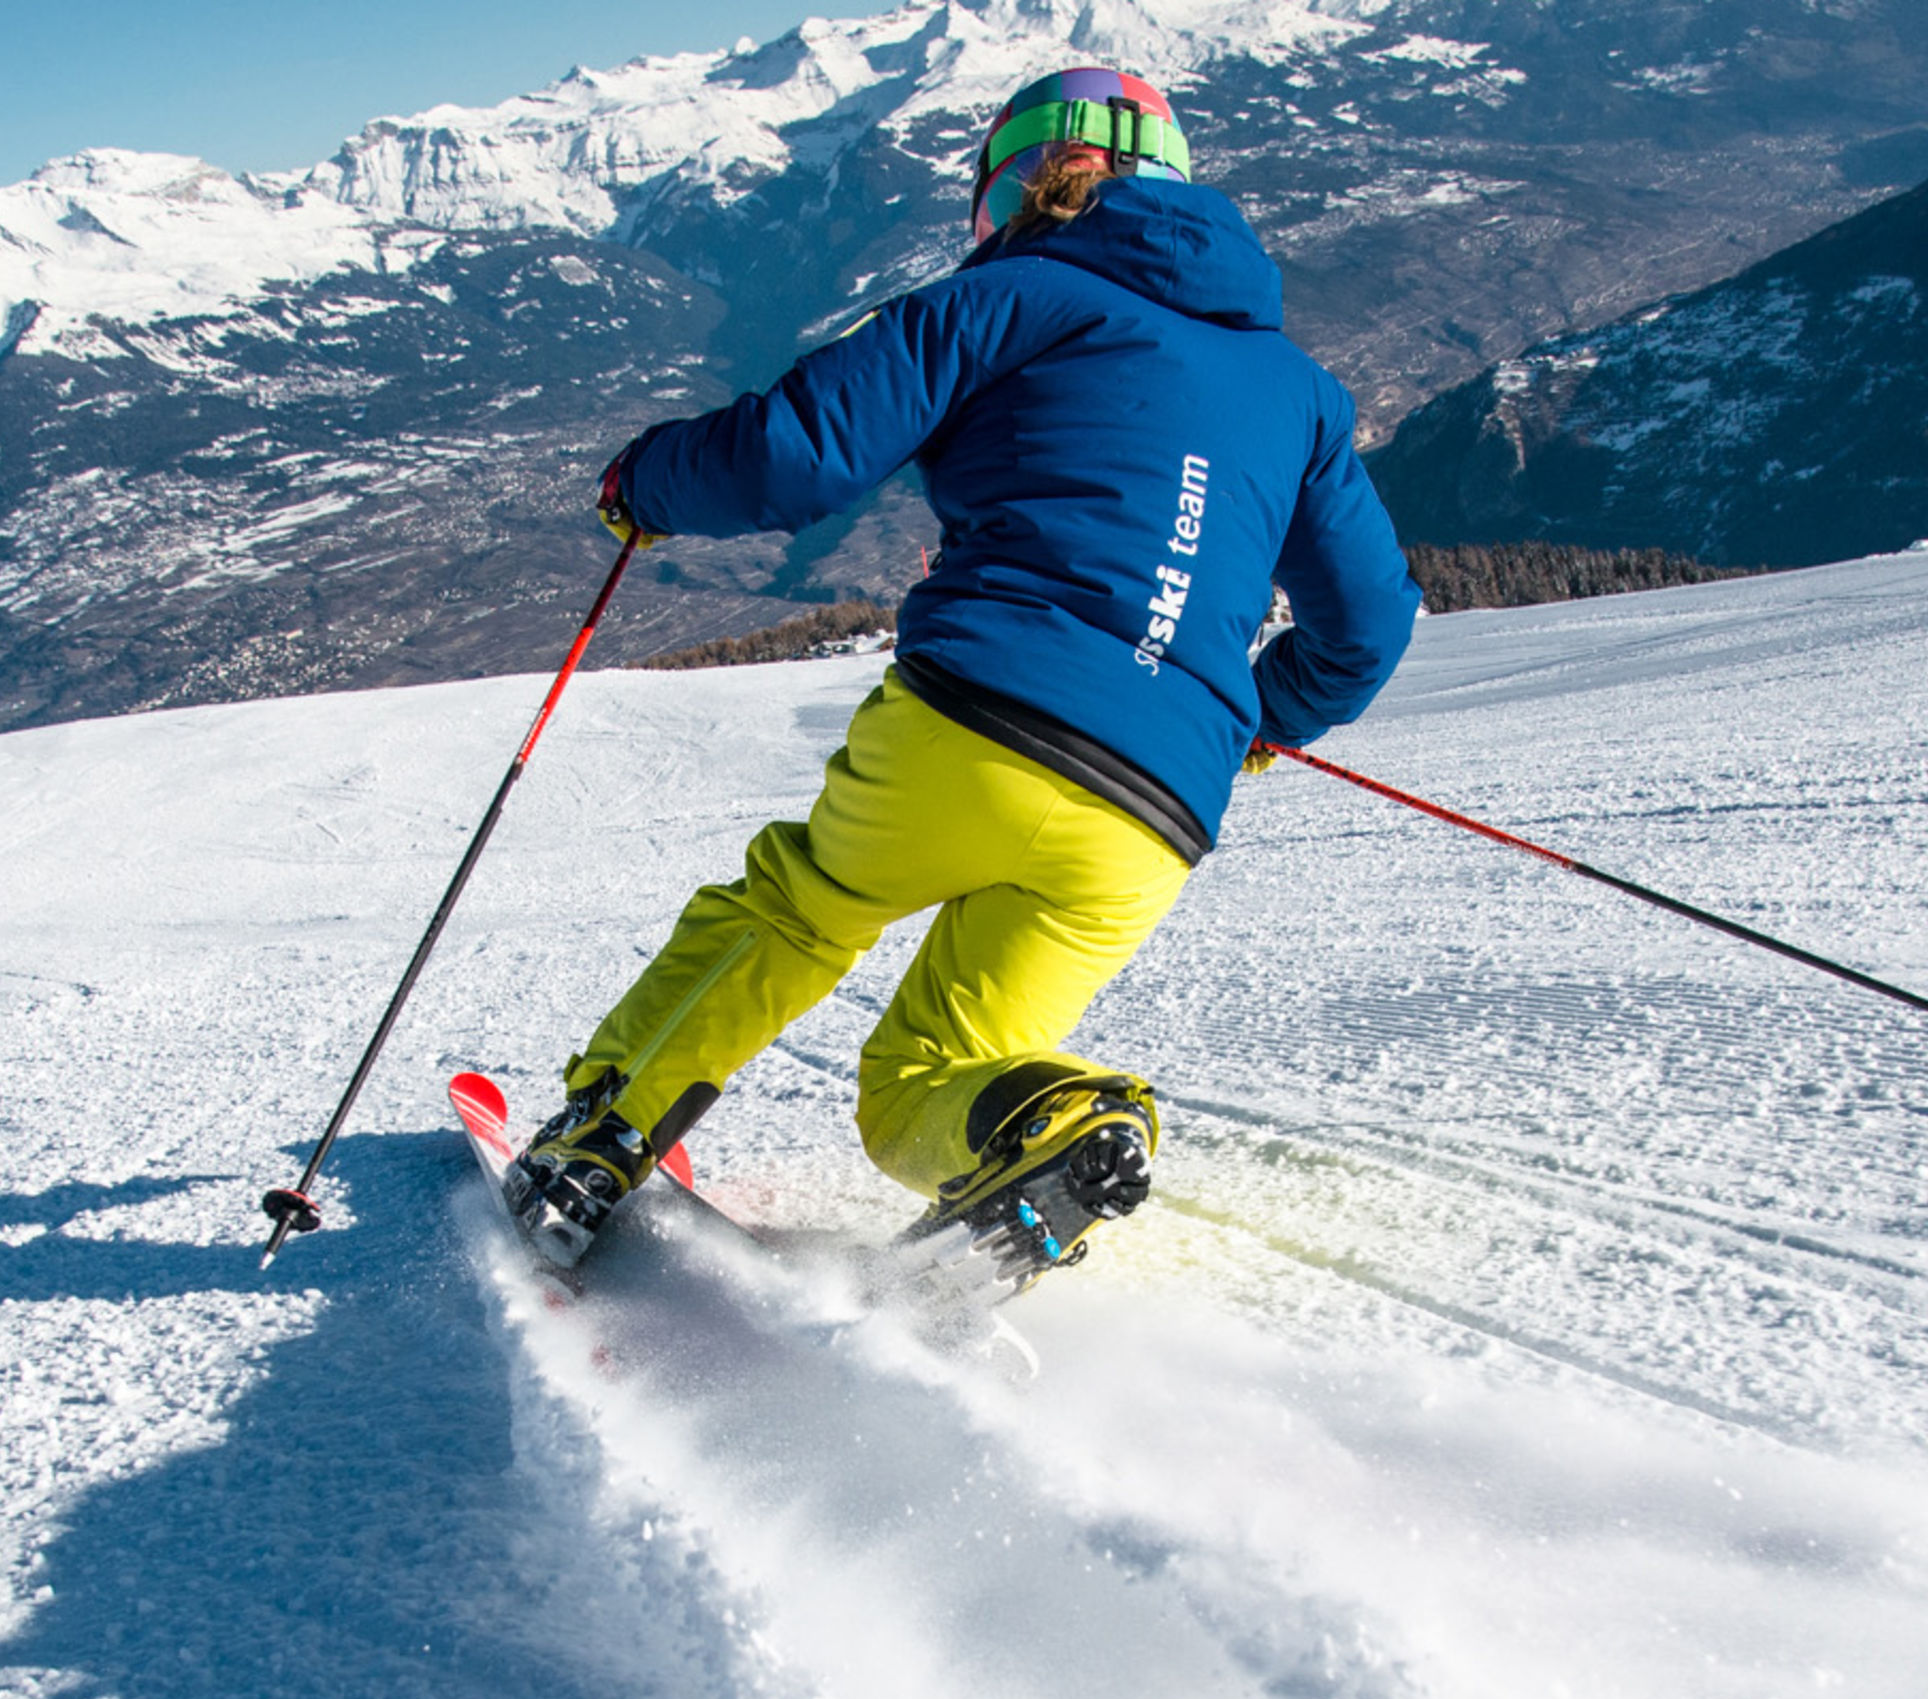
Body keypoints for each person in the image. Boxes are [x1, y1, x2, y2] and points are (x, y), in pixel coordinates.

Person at [504, 65, 1421, 1279]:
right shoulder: (1302, 393)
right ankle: (1048, 1132)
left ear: (1009, 192)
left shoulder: (1008, 298)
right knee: (923, 1091)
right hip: (1153, 816)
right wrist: (1265, 716)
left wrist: (645, 485)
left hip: (974, 721)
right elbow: (1367, 627)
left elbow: (796, 456)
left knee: (798, 907)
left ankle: (600, 1137)